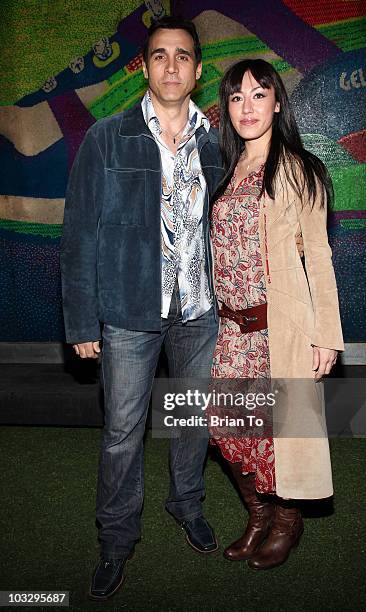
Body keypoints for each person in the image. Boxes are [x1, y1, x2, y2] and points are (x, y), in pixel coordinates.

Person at [60, 16, 225, 600]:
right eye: (160, 55)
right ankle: (115, 538)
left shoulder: (217, 140)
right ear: (146, 66)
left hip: (200, 312)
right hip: (129, 313)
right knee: (122, 433)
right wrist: (82, 321)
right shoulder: (107, 136)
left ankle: (187, 505)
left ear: (198, 70)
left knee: (192, 420)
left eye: (183, 56)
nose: (172, 66)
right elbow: (79, 235)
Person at [209, 59, 344, 570]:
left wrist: (326, 336)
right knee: (226, 428)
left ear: (278, 102)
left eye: (258, 94)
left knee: (278, 435)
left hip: (276, 330)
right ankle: (258, 514)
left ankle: (286, 521)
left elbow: (321, 259)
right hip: (229, 329)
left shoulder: (298, 170)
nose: (247, 106)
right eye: (237, 96)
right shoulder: (226, 170)